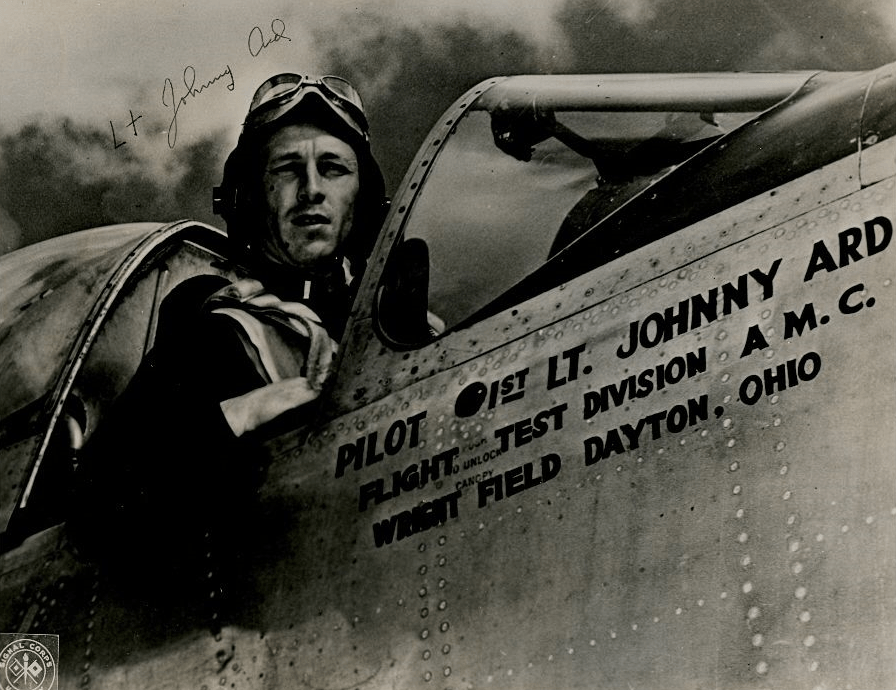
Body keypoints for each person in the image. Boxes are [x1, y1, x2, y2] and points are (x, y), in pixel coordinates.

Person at [69, 75, 387, 593]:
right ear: (249, 198)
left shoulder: (399, 332)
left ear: (363, 199)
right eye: (287, 170)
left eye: (333, 169)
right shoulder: (218, 332)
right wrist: (252, 411)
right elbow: (103, 508)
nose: (311, 190)